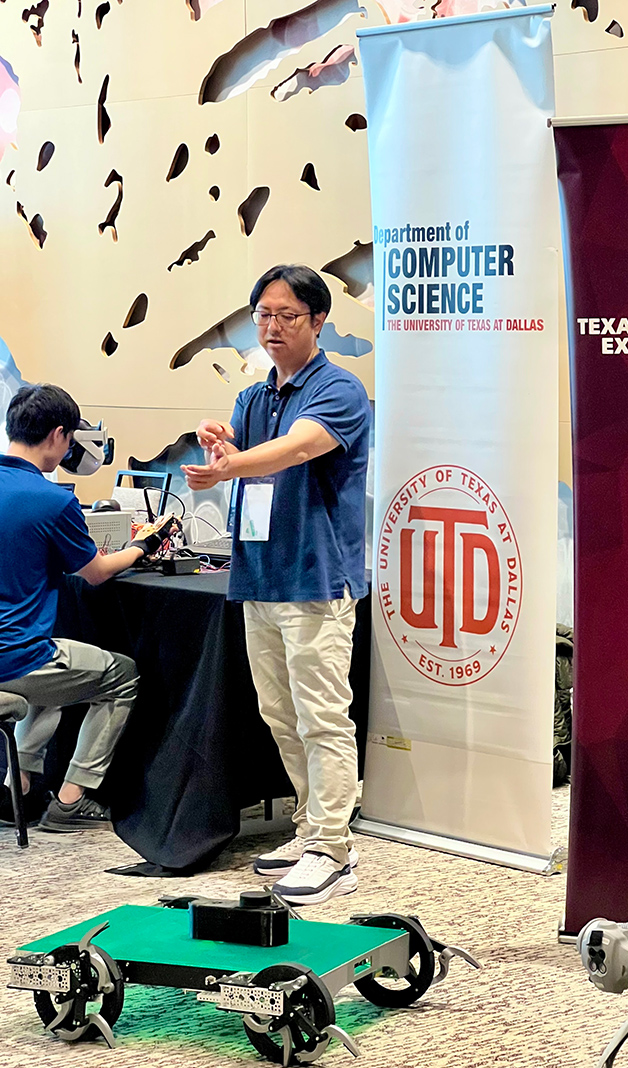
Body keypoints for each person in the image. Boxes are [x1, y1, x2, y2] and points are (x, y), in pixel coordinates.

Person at [183, 264, 371, 906]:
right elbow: (242, 445)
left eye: (287, 316)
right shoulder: (255, 396)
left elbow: (297, 448)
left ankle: (334, 846)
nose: (271, 327)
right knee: (279, 713)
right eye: (262, 315)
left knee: (322, 715)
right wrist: (221, 442)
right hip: (260, 576)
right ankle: (309, 825)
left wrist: (232, 463)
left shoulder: (339, 388)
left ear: (318, 321)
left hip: (317, 579)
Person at [0, 384, 168, 831]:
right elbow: (94, 572)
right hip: (18, 658)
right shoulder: (54, 500)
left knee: (56, 685)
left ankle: (16, 788)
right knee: (121, 676)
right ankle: (72, 800)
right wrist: (139, 547)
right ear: (59, 435)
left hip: (12, 654)